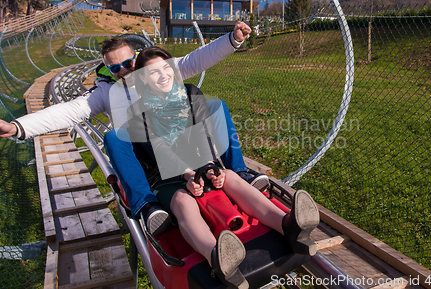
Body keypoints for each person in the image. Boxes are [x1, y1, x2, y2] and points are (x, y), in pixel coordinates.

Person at [0, 22, 268, 234]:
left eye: (127, 63)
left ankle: (239, 169)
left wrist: (232, 40)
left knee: (216, 107)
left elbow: (194, 59)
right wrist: (17, 126)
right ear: (107, 71)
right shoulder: (106, 93)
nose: (123, 71)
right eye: (114, 68)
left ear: (136, 59)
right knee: (114, 137)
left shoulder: (157, 73)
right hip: (149, 153)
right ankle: (146, 204)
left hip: (180, 142)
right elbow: (69, 111)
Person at [127, 46, 320, 289]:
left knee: (229, 176)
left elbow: (203, 138)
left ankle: (287, 224)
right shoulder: (137, 112)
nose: (163, 75)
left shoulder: (190, 93)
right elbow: (159, 151)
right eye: (153, 72)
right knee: (183, 200)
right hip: (166, 177)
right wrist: (188, 175)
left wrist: (210, 168)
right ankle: (216, 256)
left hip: (199, 166)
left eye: (166, 67)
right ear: (143, 79)